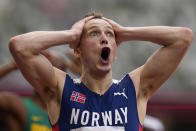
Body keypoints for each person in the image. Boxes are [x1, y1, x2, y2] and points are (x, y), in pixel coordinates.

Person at [9, 13, 193, 131]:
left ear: (115, 50)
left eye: (110, 34)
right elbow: (19, 46)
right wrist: (72, 35)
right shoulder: (61, 89)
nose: (104, 39)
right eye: (94, 34)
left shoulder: (134, 89)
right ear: (78, 51)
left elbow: (183, 38)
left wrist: (125, 32)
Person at [0, 50, 80, 131]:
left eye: (60, 71)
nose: (54, 77)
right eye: (49, 70)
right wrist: (13, 65)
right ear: (35, 75)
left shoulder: (70, 112)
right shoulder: (18, 105)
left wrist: (86, 73)